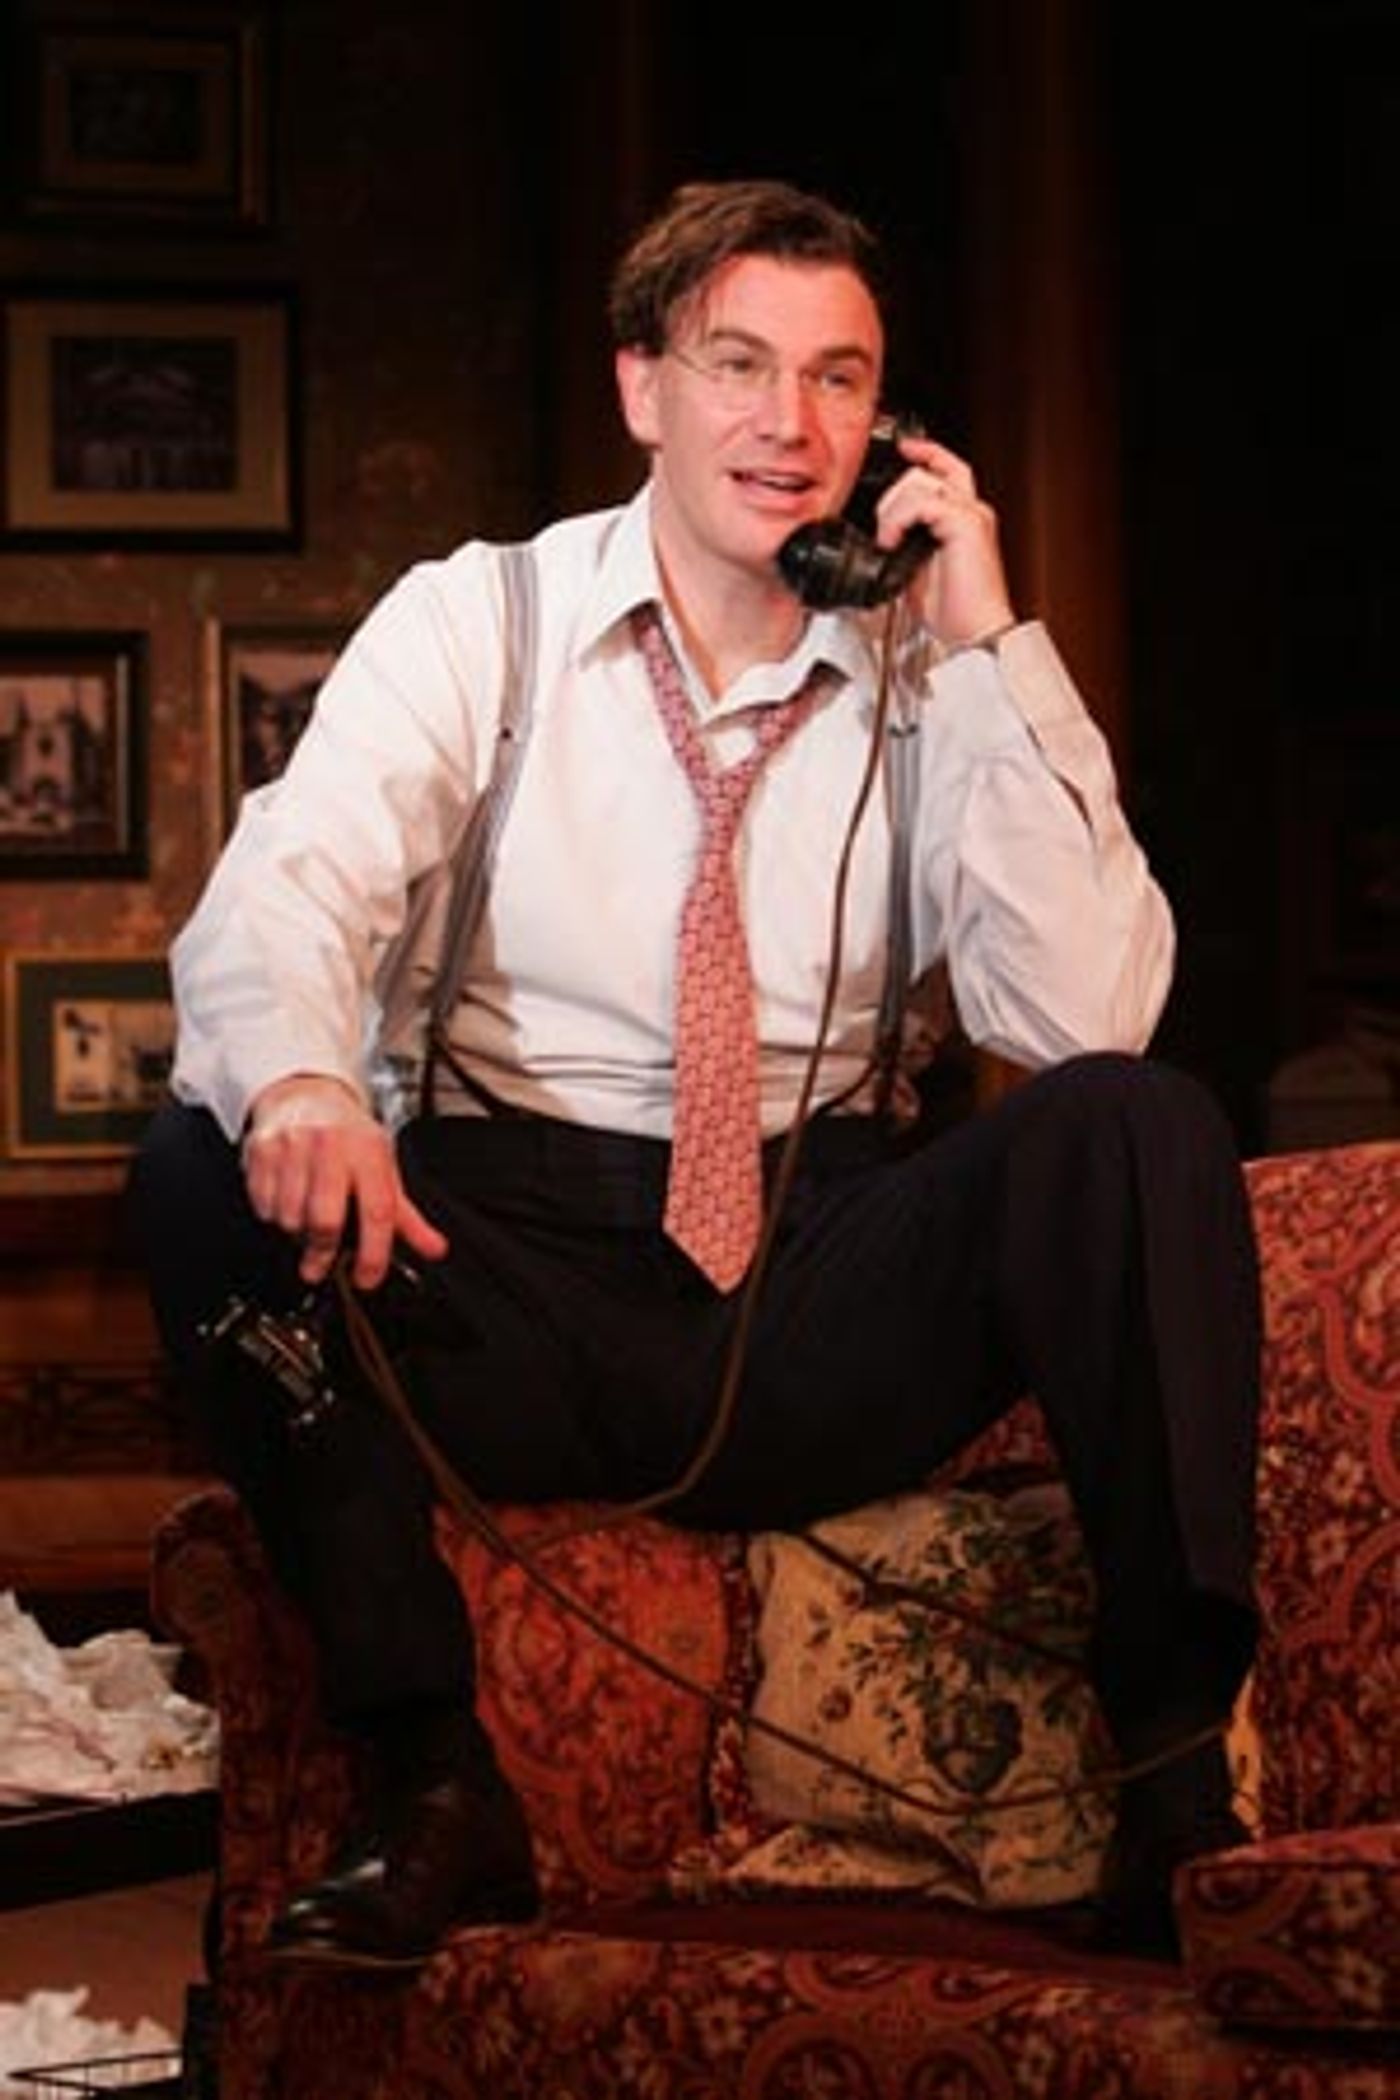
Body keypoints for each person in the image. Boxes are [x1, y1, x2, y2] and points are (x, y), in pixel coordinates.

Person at [133, 178, 1261, 1970]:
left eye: (838, 378)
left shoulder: (931, 669)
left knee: (1137, 1121)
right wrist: (304, 1090)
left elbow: (1082, 1020)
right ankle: (432, 1782)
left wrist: (986, 642)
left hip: (816, 1284)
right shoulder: (481, 621)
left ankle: (1178, 1795)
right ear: (642, 386)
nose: (788, 423)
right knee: (204, 1150)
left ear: (885, 422)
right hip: (509, 1271)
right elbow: (296, 882)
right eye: (739, 364)